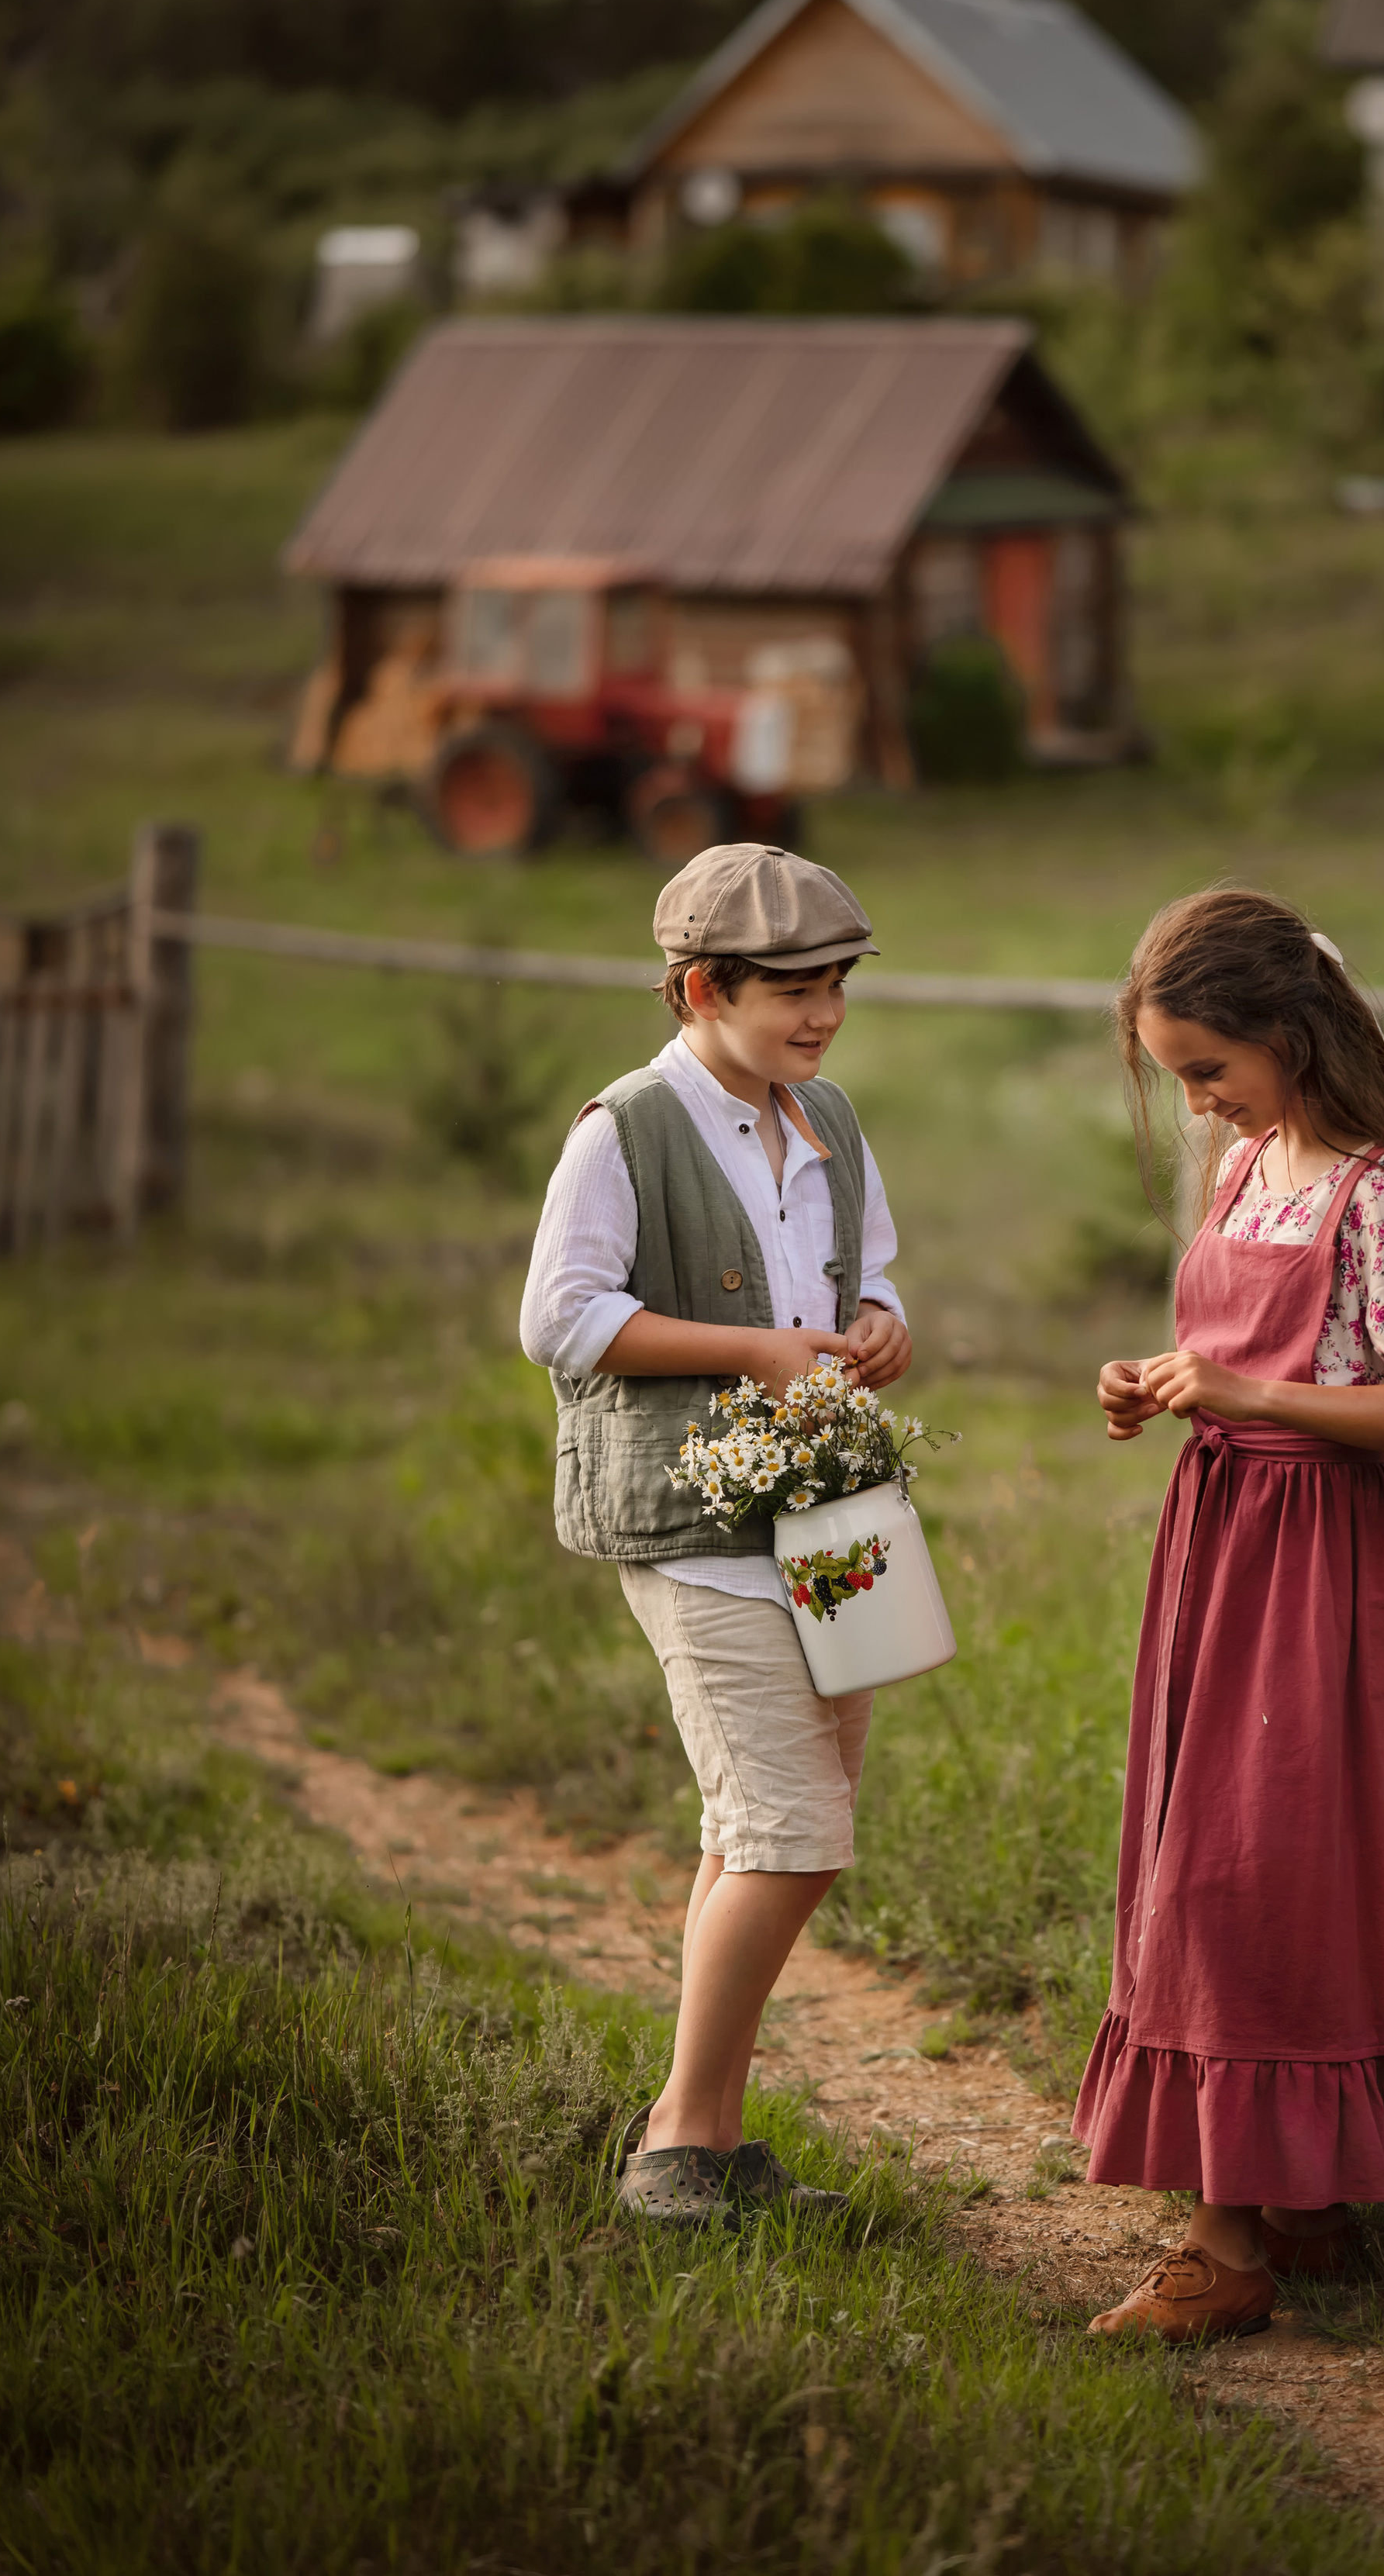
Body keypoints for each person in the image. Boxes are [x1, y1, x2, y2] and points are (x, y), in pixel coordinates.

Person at [1077, 886, 1384, 2343]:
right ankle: (1303, 2195)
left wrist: (1252, 1394)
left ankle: (1229, 2247)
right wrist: (1158, 1380)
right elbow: (1240, 1347)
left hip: (1323, 1566)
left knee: (1261, 1870)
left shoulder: (1373, 1191)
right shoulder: (1246, 1169)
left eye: (1207, 1068)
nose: (1196, 1100)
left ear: (1290, 1030)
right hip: (1222, 1544)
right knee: (1223, 1851)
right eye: (1180, 1076)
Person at [519, 844, 913, 2232]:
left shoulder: (831, 1120)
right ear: (701, 986)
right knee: (794, 1839)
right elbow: (561, 1319)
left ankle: (718, 2145)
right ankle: (678, 2148)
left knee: (770, 1823)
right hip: (698, 1525)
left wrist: (880, 1330)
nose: (821, 1017)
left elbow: (878, 1286)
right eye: (791, 993)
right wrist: (751, 1349)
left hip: (842, 1517)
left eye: (836, 988)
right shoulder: (624, 1129)